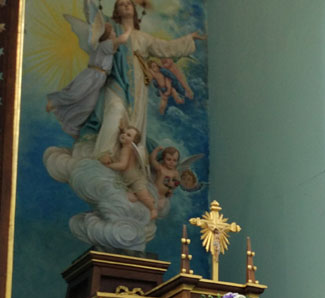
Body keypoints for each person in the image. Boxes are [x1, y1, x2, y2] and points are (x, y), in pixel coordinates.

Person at [88, 0, 206, 163]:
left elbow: (167, 48)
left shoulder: (143, 38)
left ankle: (128, 159)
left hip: (137, 83)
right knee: (114, 110)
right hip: (117, 77)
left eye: (128, 3)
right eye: (121, 4)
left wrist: (189, 39)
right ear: (116, 11)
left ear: (135, 11)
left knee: (134, 121)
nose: (126, 5)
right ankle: (104, 153)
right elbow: (94, 17)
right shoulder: (113, 29)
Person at [46, 22, 128, 137]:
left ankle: (73, 127)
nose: (115, 33)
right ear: (108, 35)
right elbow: (123, 39)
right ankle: (55, 101)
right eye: (113, 31)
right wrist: (129, 30)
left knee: (89, 105)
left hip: (99, 78)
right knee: (76, 93)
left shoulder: (107, 45)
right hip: (92, 75)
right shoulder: (105, 44)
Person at [100, 124, 157, 219]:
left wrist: (109, 165)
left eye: (128, 135)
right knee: (132, 198)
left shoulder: (127, 149)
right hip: (127, 181)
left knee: (143, 196)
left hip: (135, 179)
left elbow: (123, 165)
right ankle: (147, 198)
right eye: (124, 133)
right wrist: (123, 129)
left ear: (133, 142)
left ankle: (152, 209)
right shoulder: (125, 148)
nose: (124, 135)